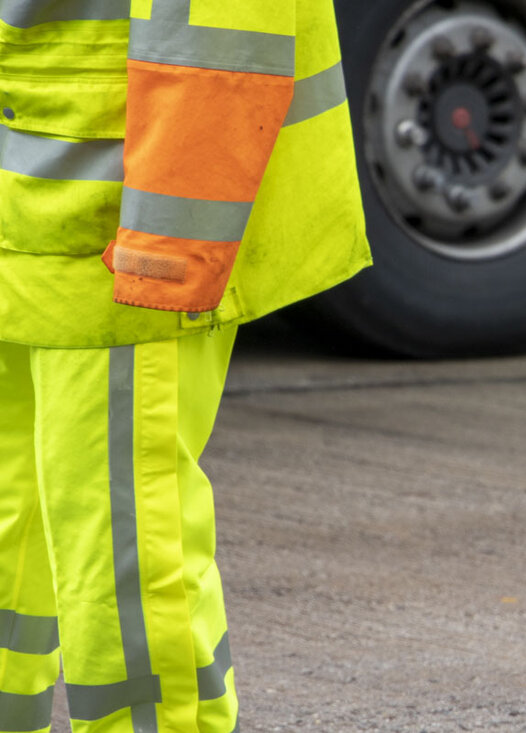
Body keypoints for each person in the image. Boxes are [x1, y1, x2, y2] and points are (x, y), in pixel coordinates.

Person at [0, 1, 368, 730]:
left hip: (116, 219)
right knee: (22, 518)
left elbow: (222, 34)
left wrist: (168, 247)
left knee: (123, 557)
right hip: (39, 199)